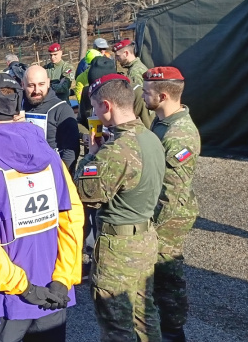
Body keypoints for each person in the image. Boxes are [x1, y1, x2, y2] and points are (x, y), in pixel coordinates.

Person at [0, 74, 84, 341]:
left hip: (7, 300)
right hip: (54, 292)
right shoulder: (51, 154)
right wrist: (64, 278)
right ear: (18, 108)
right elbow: (72, 216)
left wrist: (24, 287)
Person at [74, 74, 165, 342]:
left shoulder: (116, 151)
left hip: (119, 248)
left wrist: (91, 156)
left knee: (116, 326)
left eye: (94, 107)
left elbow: (85, 194)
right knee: (145, 318)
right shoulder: (150, 137)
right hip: (146, 239)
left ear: (106, 106)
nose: (93, 113)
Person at [142, 67, 201, 342]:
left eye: (147, 93)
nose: (142, 96)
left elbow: (172, 192)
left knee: (168, 275)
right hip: (157, 211)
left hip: (169, 217)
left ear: (163, 95)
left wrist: (152, 226)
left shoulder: (180, 135)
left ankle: (174, 332)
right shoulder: (161, 121)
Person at [22, 65, 80, 175]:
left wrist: (61, 176)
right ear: (23, 84)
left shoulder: (61, 109)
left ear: (48, 83)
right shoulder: (17, 106)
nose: (36, 90)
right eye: (31, 85)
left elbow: (71, 151)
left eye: (41, 84)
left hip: (53, 174)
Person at [77, 57, 154, 131]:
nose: (95, 92)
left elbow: (149, 127)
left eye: (99, 88)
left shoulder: (136, 93)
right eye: (93, 87)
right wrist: (85, 135)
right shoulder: (88, 92)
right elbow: (80, 121)